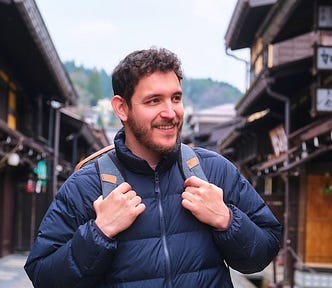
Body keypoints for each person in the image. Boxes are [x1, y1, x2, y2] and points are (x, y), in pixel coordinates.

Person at [25, 47, 282, 288]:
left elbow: (264, 252)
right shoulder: (86, 186)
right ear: (122, 108)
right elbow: (43, 276)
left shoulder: (214, 171)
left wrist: (227, 220)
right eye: (154, 101)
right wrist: (98, 232)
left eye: (176, 98)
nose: (170, 112)